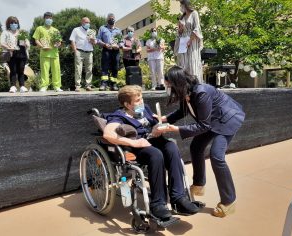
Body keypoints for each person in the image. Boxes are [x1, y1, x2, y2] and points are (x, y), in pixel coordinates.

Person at [157, 65, 245, 217]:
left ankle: (229, 202)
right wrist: (163, 118)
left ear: (177, 82)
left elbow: (204, 125)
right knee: (196, 146)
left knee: (217, 156)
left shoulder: (201, 92)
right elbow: (182, 111)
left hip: (227, 120)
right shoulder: (187, 90)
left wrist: (175, 129)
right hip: (212, 121)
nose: (168, 88)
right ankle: (198, 185)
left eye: (169, 85)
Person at [103, 85, 200, 220]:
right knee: (156, 154)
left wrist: (158, 126)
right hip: (139, 148)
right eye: (137, 100)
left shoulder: (145, 109)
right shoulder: (118, 116)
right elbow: (108, 134)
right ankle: (158, 204)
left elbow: (156, 121)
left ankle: (178, 198)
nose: (141, 102)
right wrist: (135, 142)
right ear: (127, 104)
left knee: (171, 147)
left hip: (154, 141)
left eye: (141, 98)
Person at [174, 0, 203, 83]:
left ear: (186, 5)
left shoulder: (194, 13)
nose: (180, 7)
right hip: (183, 41)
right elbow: (179, 33)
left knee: (192, 61)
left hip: (192, 40)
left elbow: (197, 28)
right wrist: (180, 28)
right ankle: (185, 83)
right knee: (183, 62)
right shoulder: (182, 17)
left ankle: (195, 83)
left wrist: (190, 40)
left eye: (181, 5)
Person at [33, 12, 63, 92]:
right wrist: (42, 46)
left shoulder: (55, 30)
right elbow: (36, 40)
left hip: (55, 53)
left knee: (56, 70)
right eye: (47, 18)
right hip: (44, 53)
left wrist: (58, 44)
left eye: (50, 18)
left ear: (52, 19)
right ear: (44, 19)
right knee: (44, 71)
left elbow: (59, 42)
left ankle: (57, 86)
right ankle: (44, 86)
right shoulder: (39, 28)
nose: (48, 19)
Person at [0, 16, 30, 93]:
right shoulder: (5, 32)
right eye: (12, 23)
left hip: (22, 54)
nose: (13, 24)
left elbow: (27, 43)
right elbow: (1, 43)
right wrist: (9, 48)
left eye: (15, 23)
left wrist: (26, 44)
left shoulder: (22, 32)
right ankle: (13, 86)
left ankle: (22, 86)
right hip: (11, 54)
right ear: (8, 24)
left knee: (21, 70)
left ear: (18, 24)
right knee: (13, 70)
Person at [70, 17, 96, 92]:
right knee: (78, 69)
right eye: (86, 22)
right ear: (82, 22)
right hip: (79, 51)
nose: (88, 24)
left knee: (89, 69)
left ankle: (88, 85)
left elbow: (94, 43)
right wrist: (75, 50)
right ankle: (78, 86)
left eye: (89, 22)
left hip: (89, 52)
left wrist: (92, 40)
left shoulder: (91, 31)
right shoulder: (76, 30)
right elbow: (72, 40)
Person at [97, 13, 122, 91]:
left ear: (114, 19)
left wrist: (118, 46)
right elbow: (98, 39)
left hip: (115, 51)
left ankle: (113, 84)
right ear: (107, 20)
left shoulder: (118, 30)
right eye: (109, 18)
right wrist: (104, 44)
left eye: (112, 18)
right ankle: (104, 84)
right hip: (106, 50)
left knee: (115, 68)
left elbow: (121, 42)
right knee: (105, 67)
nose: (111, 19)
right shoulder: (102, 28)